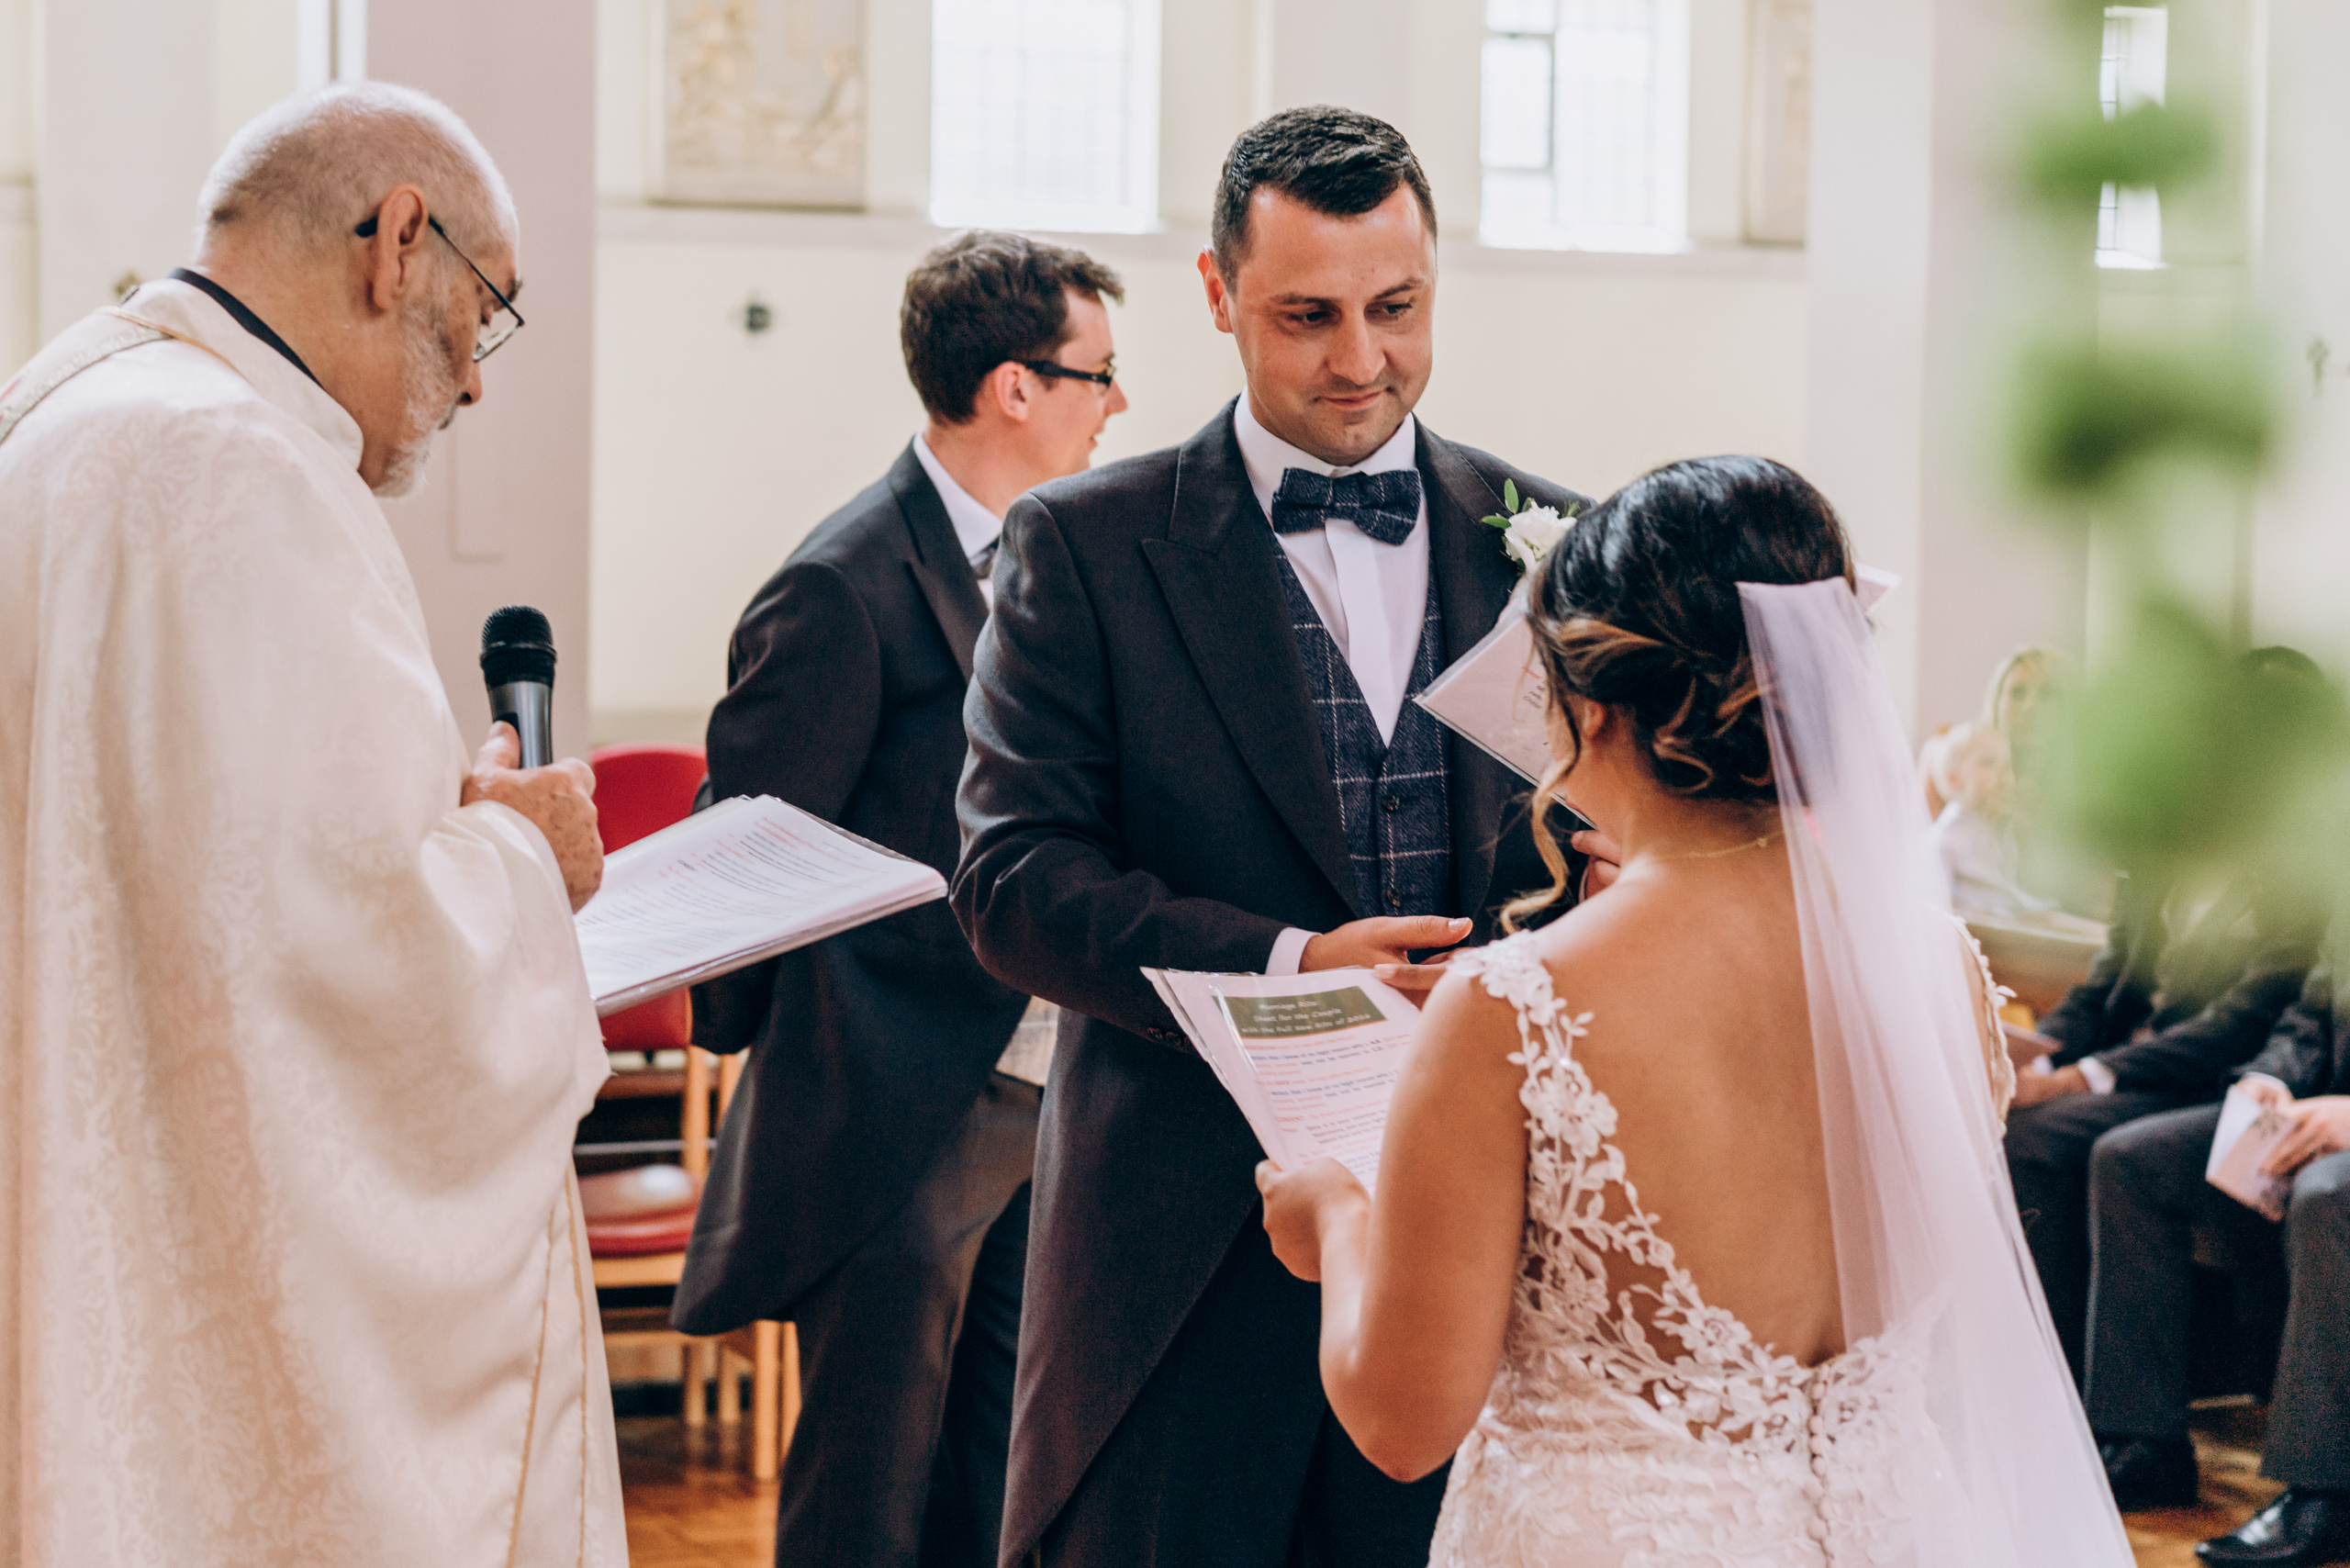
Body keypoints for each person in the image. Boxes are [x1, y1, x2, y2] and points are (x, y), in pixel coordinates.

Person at [1258, 455, 2132, 1566]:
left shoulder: (1509, 1009)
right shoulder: (1940, 971)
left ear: (1584, 704)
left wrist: (1334, 1217)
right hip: (1897, 1526)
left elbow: (1400, 1424)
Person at [953, 106, 1589, 1567]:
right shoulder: (1084, 547)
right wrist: (1292, 960)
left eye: (1398, 308)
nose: (1360, 360)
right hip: (1176, 1240)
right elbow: (1011, 883)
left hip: (1473, 1251)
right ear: (1217, 293)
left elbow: (1593, 856)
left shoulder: (1551, 538)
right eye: (1307, 316)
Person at [0, 84, 621, 1566]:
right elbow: (352, 957)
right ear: (398, 241)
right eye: (491, 312)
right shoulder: (243, 470)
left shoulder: (61, 411)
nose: (477, 382)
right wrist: (526, 851)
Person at [677, 230, 1126, 1568]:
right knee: (867, 1491)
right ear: (1015, 389)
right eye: (1100, 374)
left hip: (1041, 1080)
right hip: (894, 1107)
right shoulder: (844, 582)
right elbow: (746, 847)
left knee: (990, 1475)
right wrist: (795, 1070)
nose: (1116, 405)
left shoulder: (1065, 558)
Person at [2002, 648, 2330, 1383]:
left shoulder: (2303, 868)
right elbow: (2109, 980)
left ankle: (2072, 1394)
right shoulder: (2166, 846)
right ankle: (2033, 1379)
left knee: (2050, 1136)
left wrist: (2079, 1079)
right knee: (2014, 1122)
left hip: (2203, 1076)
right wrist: (2037, 1052)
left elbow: (2242, 1023)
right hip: (2153, 1070)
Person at [2085, 927, 2350, 1562]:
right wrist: (2268, 1080)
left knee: (2325, 1194)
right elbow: (2311, 1013)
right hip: (2314, 1110)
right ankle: (2145, 1444)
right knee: (2131, 1161)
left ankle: (2327, 1493)